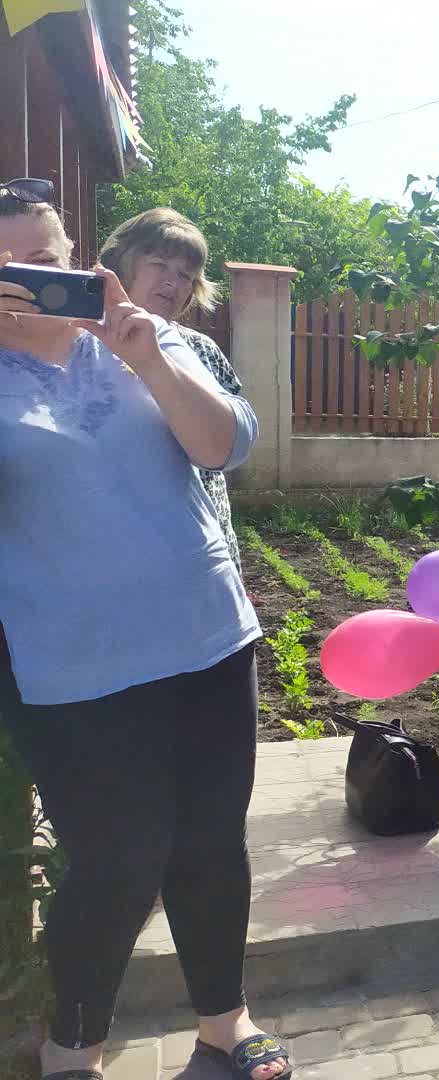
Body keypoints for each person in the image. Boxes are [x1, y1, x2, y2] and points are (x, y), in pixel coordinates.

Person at [0, 182, 292, 1080]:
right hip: (72, 666)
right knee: (114, 862)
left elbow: (225, 446)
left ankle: (224, 1022)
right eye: (7, 265)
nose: (28, 277)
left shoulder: (153, 339)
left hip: (207, 638)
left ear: (76, 255)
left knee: (212, 842)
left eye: (44, 257)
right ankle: (73, 1047)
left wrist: (145, 357)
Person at [99, 207, 244, 569]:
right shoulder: (83, 341)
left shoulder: (203, 350)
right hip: (120, 552)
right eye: (159, 264)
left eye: (185, 275)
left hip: (207, 549)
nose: (173, 282)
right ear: (121, 263)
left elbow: (230, 442)